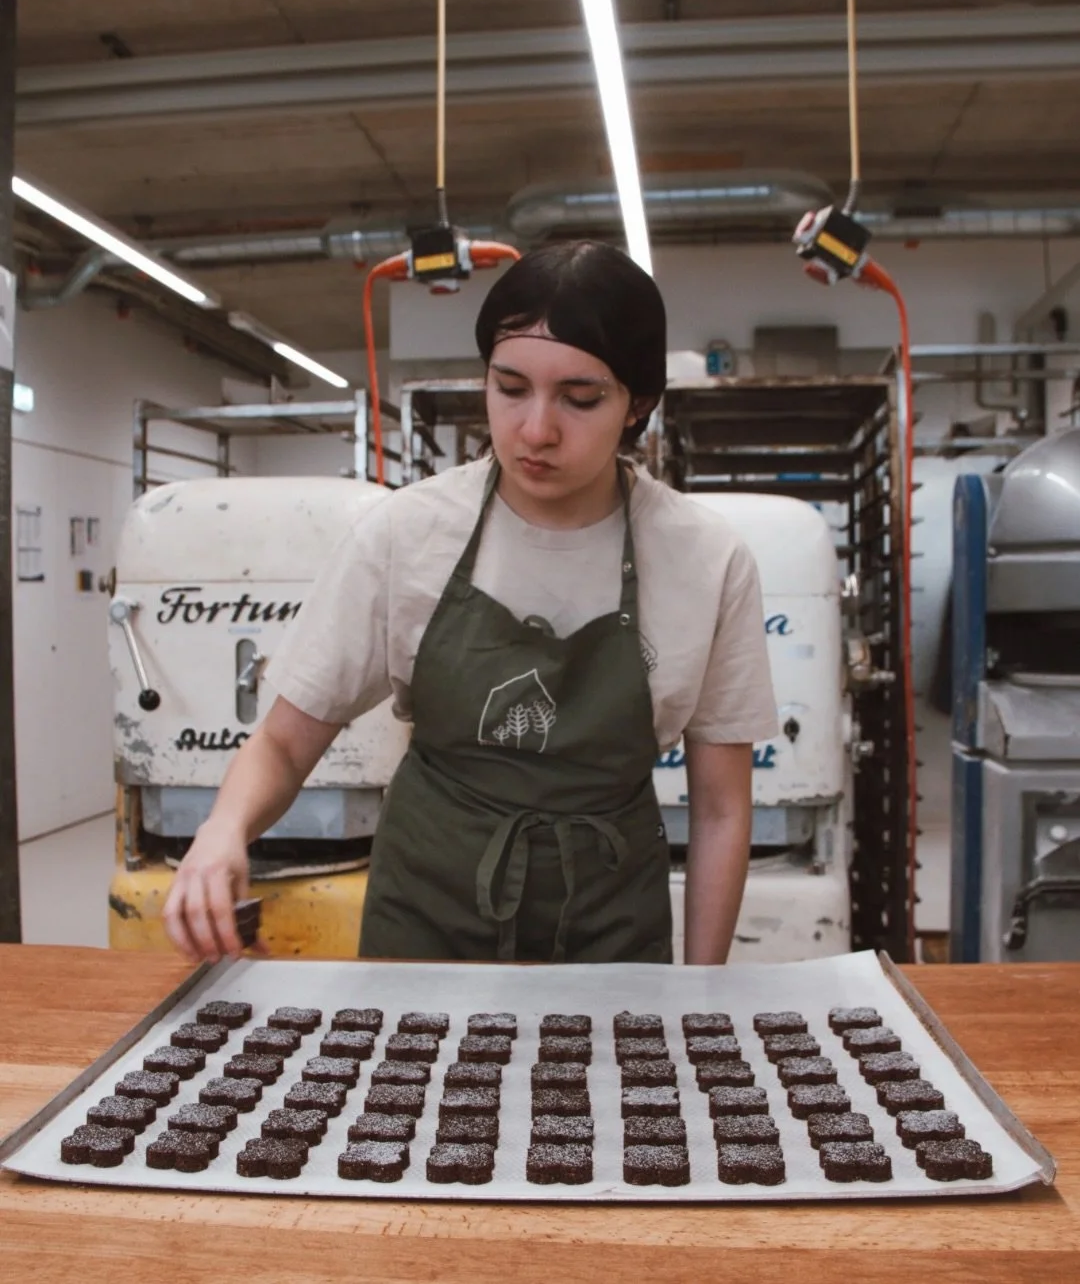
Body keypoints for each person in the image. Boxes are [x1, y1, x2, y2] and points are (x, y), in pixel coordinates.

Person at [163, 241, 778, 966]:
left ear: (637, 403)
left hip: (611, 923)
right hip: (427, 913)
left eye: (580, 399)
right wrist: (222, 831)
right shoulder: (407, 535)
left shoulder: (705, 560)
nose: (536, 429)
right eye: (510, 387)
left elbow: (719, 808)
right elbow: (284, 742)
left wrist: (699, 996)